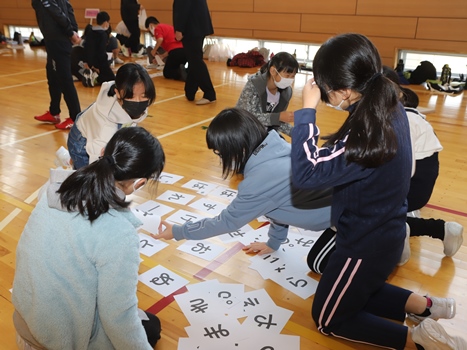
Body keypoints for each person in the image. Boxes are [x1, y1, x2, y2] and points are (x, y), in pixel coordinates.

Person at [290, 33, 466, 349]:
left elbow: (306, 173)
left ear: (344, 90)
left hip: (364, 242)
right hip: (384, 230)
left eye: (326, 88)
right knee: (355, 288)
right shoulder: (385, 96)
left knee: (329, 318)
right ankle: (428, 307)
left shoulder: (365, 137)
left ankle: (422, 342)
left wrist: (307, 111)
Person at [12, 126, 165, 349]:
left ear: (103, 151)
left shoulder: (56, 186)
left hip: (24, 318)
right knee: (150, 329)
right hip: (59, 340)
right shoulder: (119, 233)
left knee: (147, 323)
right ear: (139, 182)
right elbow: (118, 318)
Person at [307, 66, 464, 273]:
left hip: (409, 188)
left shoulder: (392, 120)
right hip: (417, 185)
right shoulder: (398, 112)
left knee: (320, 260)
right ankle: (425, 229)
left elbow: (402, 172)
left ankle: (400, 230)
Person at [152, 107, 332, 254]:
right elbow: (277, 206)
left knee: (319, 265)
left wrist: (179, 231)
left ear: (240, 149)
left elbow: (227, 222)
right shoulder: (277, 146)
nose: (221, 159)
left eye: (221, 153)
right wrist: (274, 243)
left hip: (347, 220)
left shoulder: (260, 180)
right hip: (338, 207)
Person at [68, 63, 156, 169]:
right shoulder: (105, 128)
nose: (138, 101)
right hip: (81, 142)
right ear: (118, 93)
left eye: (143, 96)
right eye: (131, 96)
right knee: (88, 178)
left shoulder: (124, 96)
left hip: (98, 126)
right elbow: (97, 165)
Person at [32, 0, 82, 130]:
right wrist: (73, 30)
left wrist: (71, 32)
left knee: (65, 79)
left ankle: (75, 117)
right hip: (52, 40)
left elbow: (57, 12)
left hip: (58, 40)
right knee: (52, 75)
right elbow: (68, 8)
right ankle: (54, 112)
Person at [236, 52, 298, 136]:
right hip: (242, 131)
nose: (290, 80)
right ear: (273, 71)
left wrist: (295, 132)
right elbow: (247, 117)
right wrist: (278, 117)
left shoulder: (287, 92)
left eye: (293, 76)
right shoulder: (254, 85)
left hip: (264, 133)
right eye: (287, 75)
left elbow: (276, 121)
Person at [173, 0, 216, 105]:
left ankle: (209, 93)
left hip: (192, 27)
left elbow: (183, 6)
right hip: (196, 25)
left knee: (195, 60)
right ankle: (190, 90)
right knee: (193, 59)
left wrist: (179, 29)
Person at [145, 16, 187, 81]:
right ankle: (186, 72)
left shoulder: (158, 28)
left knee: (167, 73)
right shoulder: (169, 27)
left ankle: (180, 74)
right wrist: (162, 56)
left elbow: (160, 40)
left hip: (175, 52)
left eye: (149, 30)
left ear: (151, 25)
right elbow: (171, 47)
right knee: (175, 67)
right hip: (184, 51)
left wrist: (154, 50)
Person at [82, 11, 116, 87]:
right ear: (106, 22)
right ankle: (96, 77)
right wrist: (103, 65)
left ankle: (94, 75)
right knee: (112, 80)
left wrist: (87, 62)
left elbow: (86, 48)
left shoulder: (90, 32)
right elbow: (101, 52)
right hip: (99, 63)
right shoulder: (103, 34)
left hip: (90, 62)